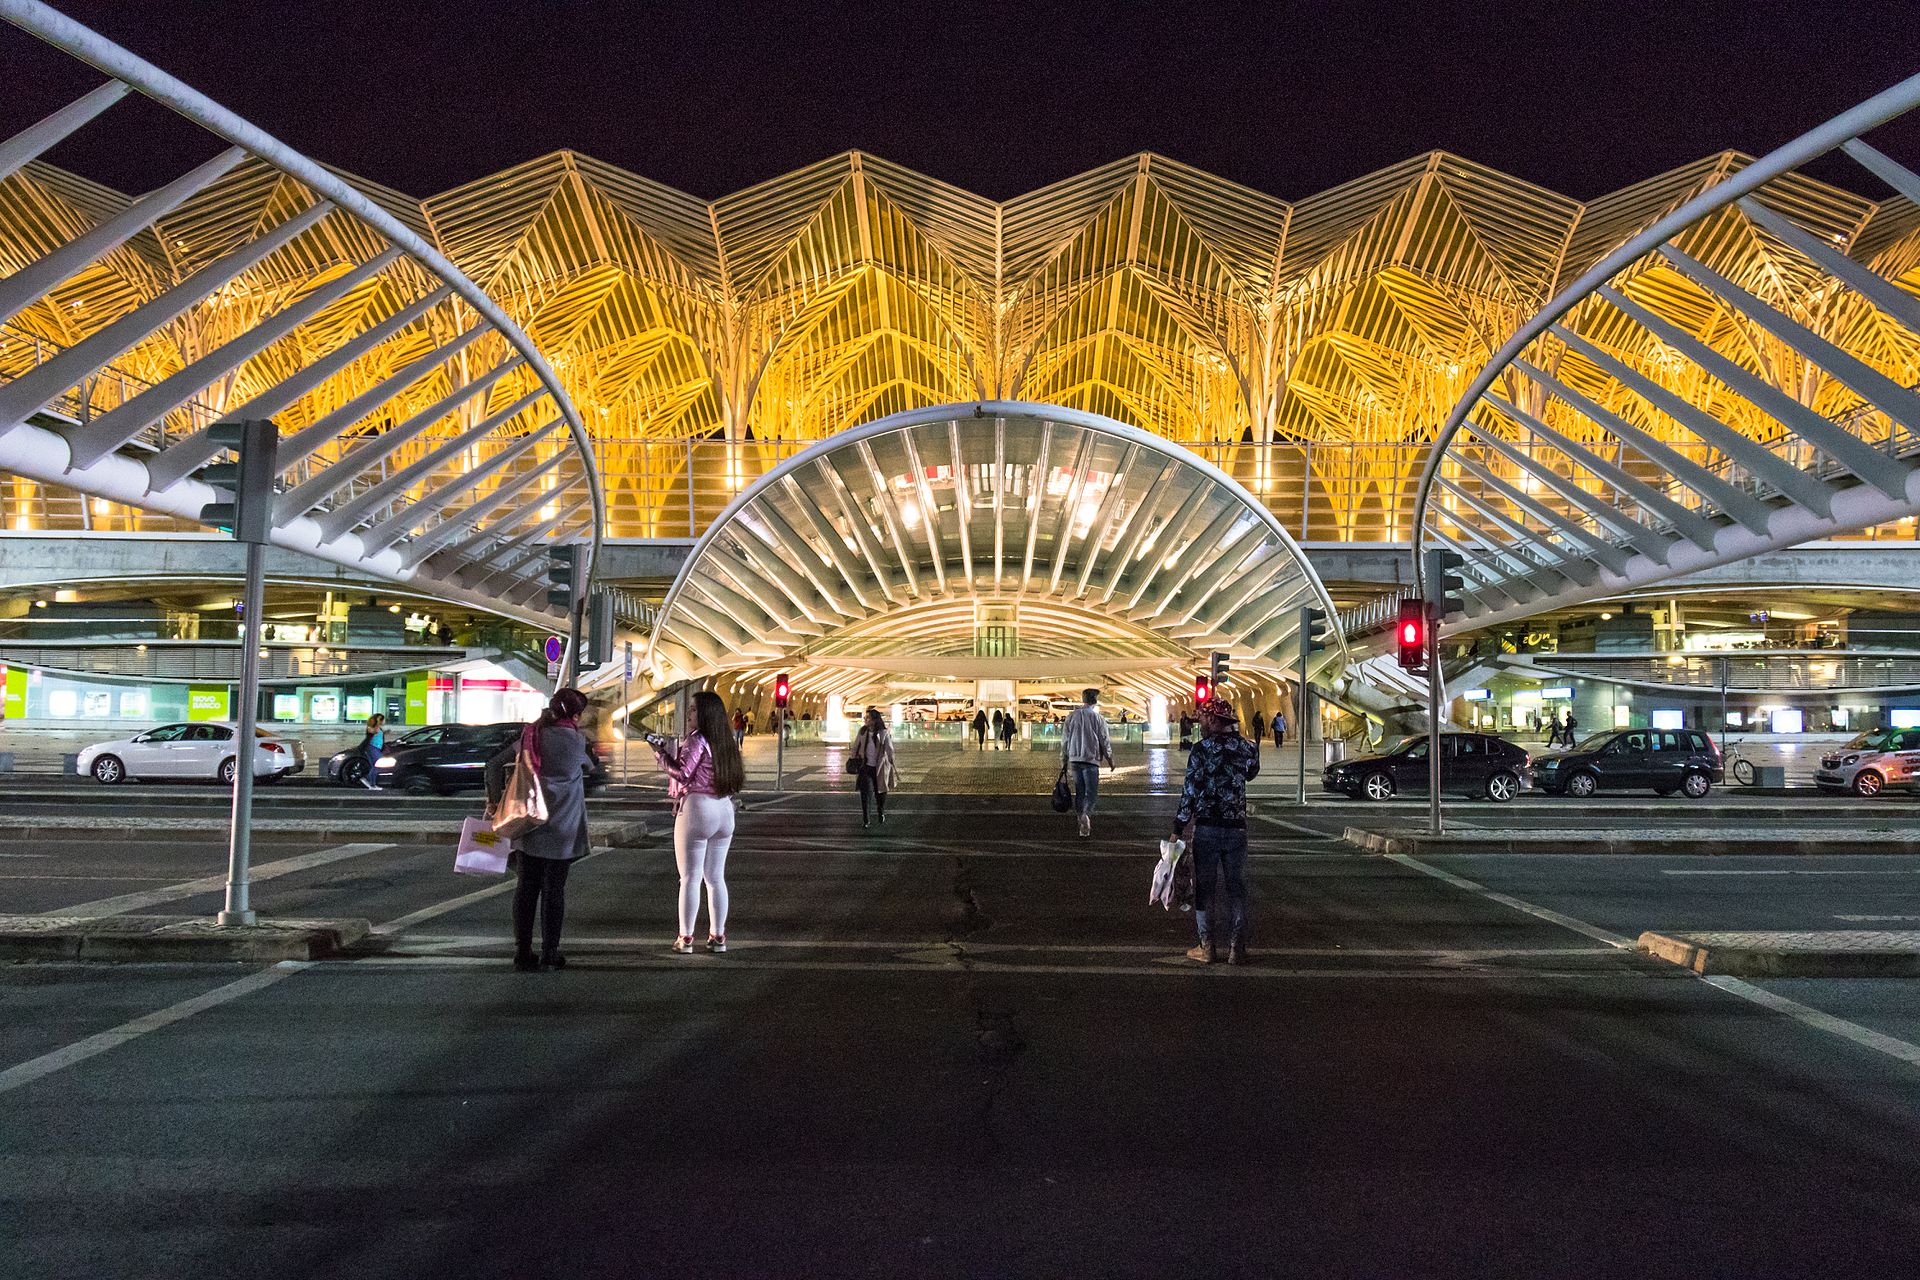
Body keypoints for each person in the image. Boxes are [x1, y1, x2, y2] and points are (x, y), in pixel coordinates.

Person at [484, 688, 593, 972]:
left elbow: (493, 764)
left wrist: (495, 802)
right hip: (562, 829)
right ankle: (550, 952)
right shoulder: (577, 741)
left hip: (528, 823)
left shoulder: (530, 735)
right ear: (576, 715)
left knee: (526, 888)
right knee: (554, 890)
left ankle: (522, 953)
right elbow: (590, 769)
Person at [653, 690, 745, 954]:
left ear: (704, 714)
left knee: (690, 878)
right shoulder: (725, 742)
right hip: (724, 809)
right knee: (716, 878)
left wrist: (661, 756)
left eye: (693, 709)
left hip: (697, 808)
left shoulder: (697, 740)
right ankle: (718, 937)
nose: (689, 714)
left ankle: (686, 937)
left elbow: (683, 774)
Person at [1173, 696, 1260, 965]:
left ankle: (1207, 946)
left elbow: (1190, 792)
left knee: (1205, 889)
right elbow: (1251, 774)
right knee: (1236, 888)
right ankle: (1236, 948)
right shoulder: (1248, 748)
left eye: (1203, 717)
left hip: (1208, 828)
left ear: (1212, 719)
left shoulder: (1200, 750)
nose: (1199, 721)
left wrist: (1178, 826)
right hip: (1236, 829)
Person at [1062, 687, 1114, 838]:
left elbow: (1064, 742)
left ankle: (1080, 821)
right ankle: (1085, 816)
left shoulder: (1072, 717)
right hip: (1091, 760)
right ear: (1095, 701)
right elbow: (1104, 741)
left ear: (1083, 700)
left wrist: (1064, 760)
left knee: (1079, 791)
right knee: (1091, 793)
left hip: (1075, 760)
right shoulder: (1098, 719)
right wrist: (1110, 760)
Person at [850, 707, 897, 828]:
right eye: (865, 718)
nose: (865, 720)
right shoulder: (862, 731)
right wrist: (853, 758)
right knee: (865, 793)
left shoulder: (883, 733)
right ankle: (866, 820)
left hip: (879, 768)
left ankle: (880, 810)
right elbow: (855, 746)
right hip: (865, 767)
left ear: (875, 720)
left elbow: (889, 748)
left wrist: (891, 760)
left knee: (880, 793)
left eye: (868, 718)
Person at [356, 714, 384, 790]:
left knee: (374, 766)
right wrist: (377, 722)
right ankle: (370, 782)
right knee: (378, 764)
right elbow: (373, 732)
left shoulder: (378, 728)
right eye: (382, 719)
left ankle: (370, 782)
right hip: (372, 748)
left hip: (376, 748)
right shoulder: (371, 727)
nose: (384, 721)